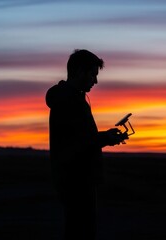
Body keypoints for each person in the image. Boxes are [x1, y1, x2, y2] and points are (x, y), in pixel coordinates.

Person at [45, 49, 127, 239]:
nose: (95, 81)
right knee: (81, 232)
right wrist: (106, 139)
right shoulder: (70, 102)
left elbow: (79, 138)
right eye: (93, 74)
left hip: (75, 179)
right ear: (80, 71)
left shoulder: (69, 99)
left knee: (77, 230)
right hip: (77, 180)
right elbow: (78, 143)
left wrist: (105, 136)